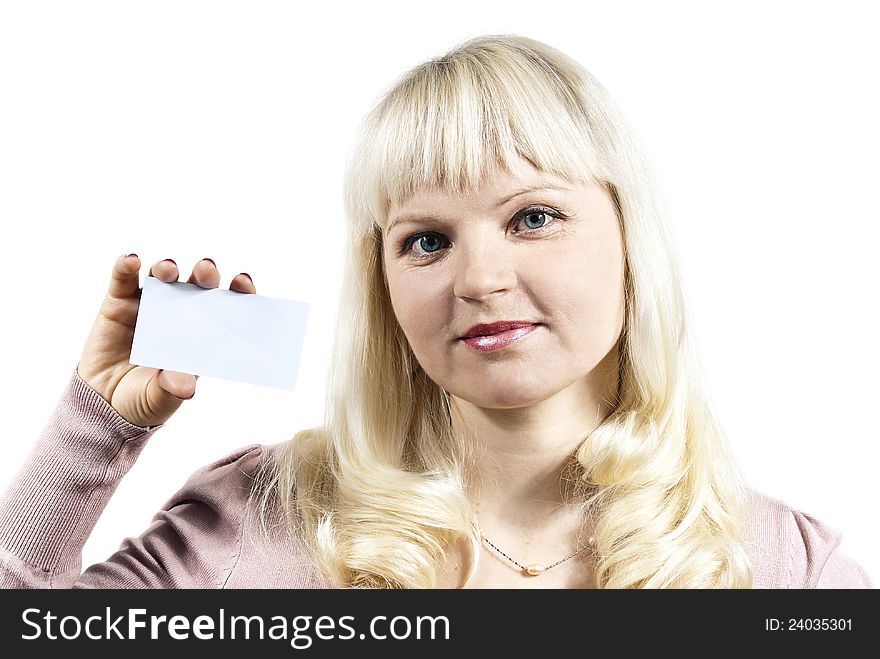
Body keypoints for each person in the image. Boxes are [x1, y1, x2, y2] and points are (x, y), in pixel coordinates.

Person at [0, 34, 872, 589]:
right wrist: (96, 424)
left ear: (631, 238)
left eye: (534, 217)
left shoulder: (781, 567)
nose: (480, 279)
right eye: (425, 240)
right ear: (382, 282)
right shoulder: (260, 521)